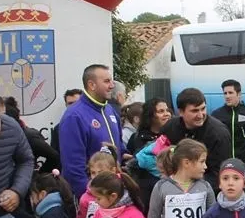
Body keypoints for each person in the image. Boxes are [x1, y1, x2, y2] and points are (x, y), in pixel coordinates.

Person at [59, 64, 127, 198]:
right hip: (93, 198)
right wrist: (91, 197)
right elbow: (73, 167)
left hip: (111, 195)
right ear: (92, 85)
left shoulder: (109, 110)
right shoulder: (74, 116)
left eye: (111, 81)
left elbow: (119, 146)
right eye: (107, 81)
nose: (112, 85)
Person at [157, 89, 231, 192]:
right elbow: (159, 157)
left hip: (206, 191)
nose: (200, 115)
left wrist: (188, 187)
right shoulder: (169, 128)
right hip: (172, 188)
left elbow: (220, 173)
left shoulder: (219, 133)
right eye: (195, 111)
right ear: (181, 112)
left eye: (203, 109)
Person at [211, 80, 245, 200]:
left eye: (230, 93)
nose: (227, 96)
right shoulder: (217, 115)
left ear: (239, 94)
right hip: (224, 164)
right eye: (225, 93)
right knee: (225, 198)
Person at [126, 97, 173, 199]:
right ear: (151, 116)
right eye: (161, 111)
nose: (167, 114)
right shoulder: (137, 138)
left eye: (167, 110)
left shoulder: (174, 135)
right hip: (146, 191)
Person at [51, 89, 82, 155]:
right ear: (66, 105)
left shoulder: (94, 124)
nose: (74, 106)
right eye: (70, 103)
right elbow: (55, 154)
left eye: (77, 102)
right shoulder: (58, 129)